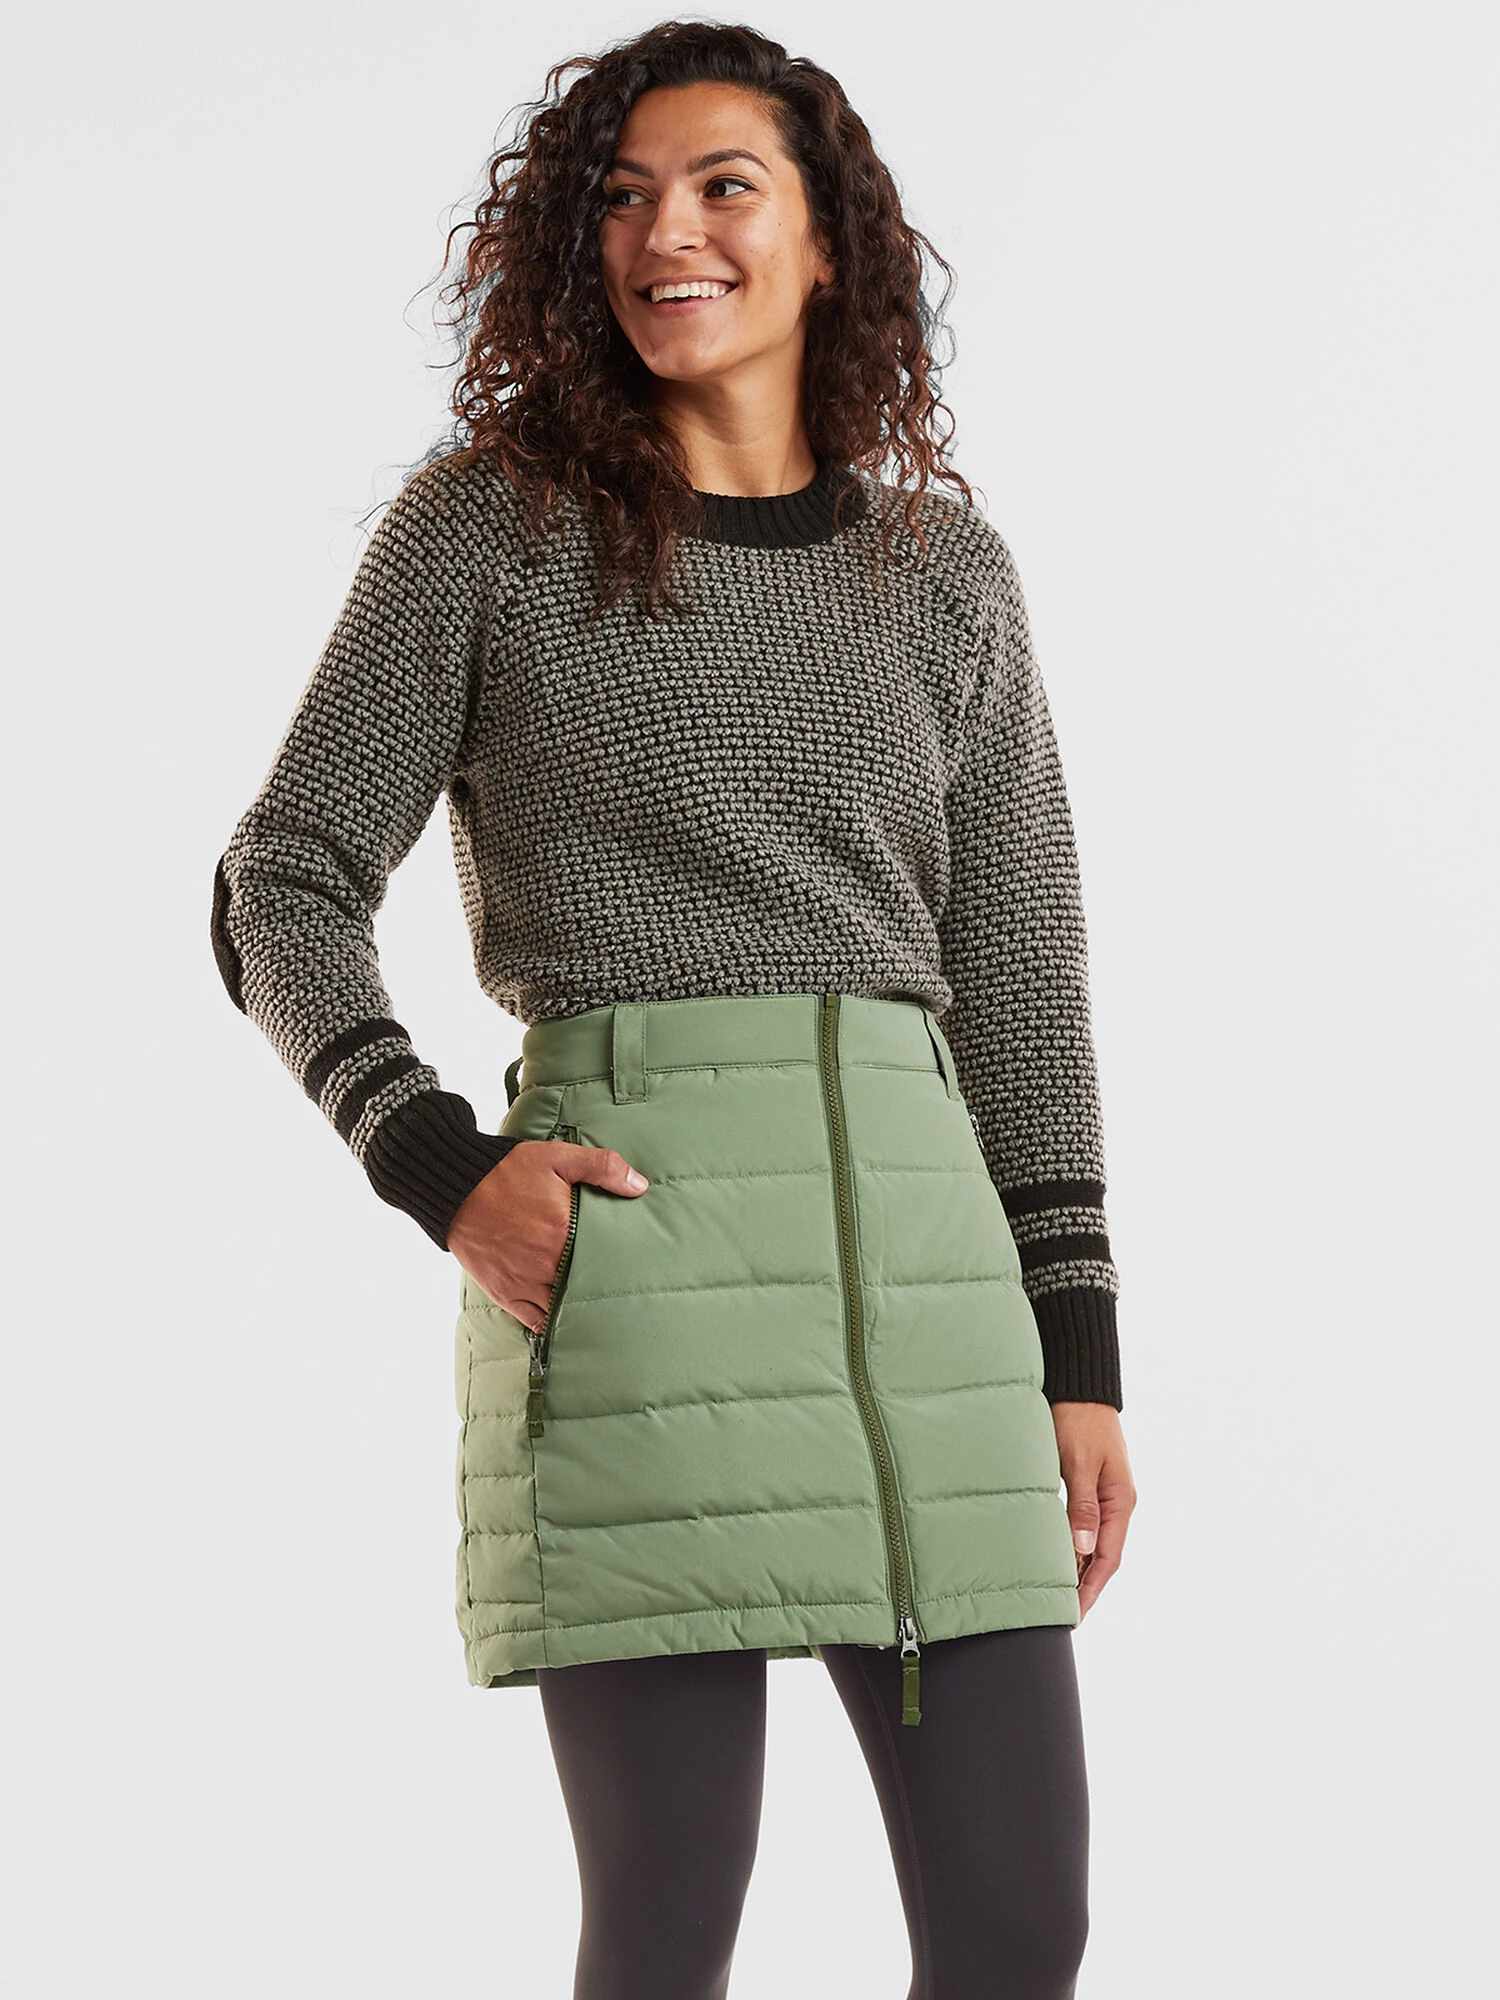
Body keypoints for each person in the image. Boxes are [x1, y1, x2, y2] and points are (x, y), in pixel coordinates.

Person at [210, 20, 1137, 1998]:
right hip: (636, 1285)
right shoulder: (489, 531)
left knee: (1018, 1926)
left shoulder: (946, 575)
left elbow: (1022, 972)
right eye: (624, 199)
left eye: (726, 186)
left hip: (937, 1313)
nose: (667, 234)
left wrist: (1080, 1353)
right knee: (665, 1932)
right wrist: (441, 1166)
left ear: (828, 242)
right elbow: (278, 880)